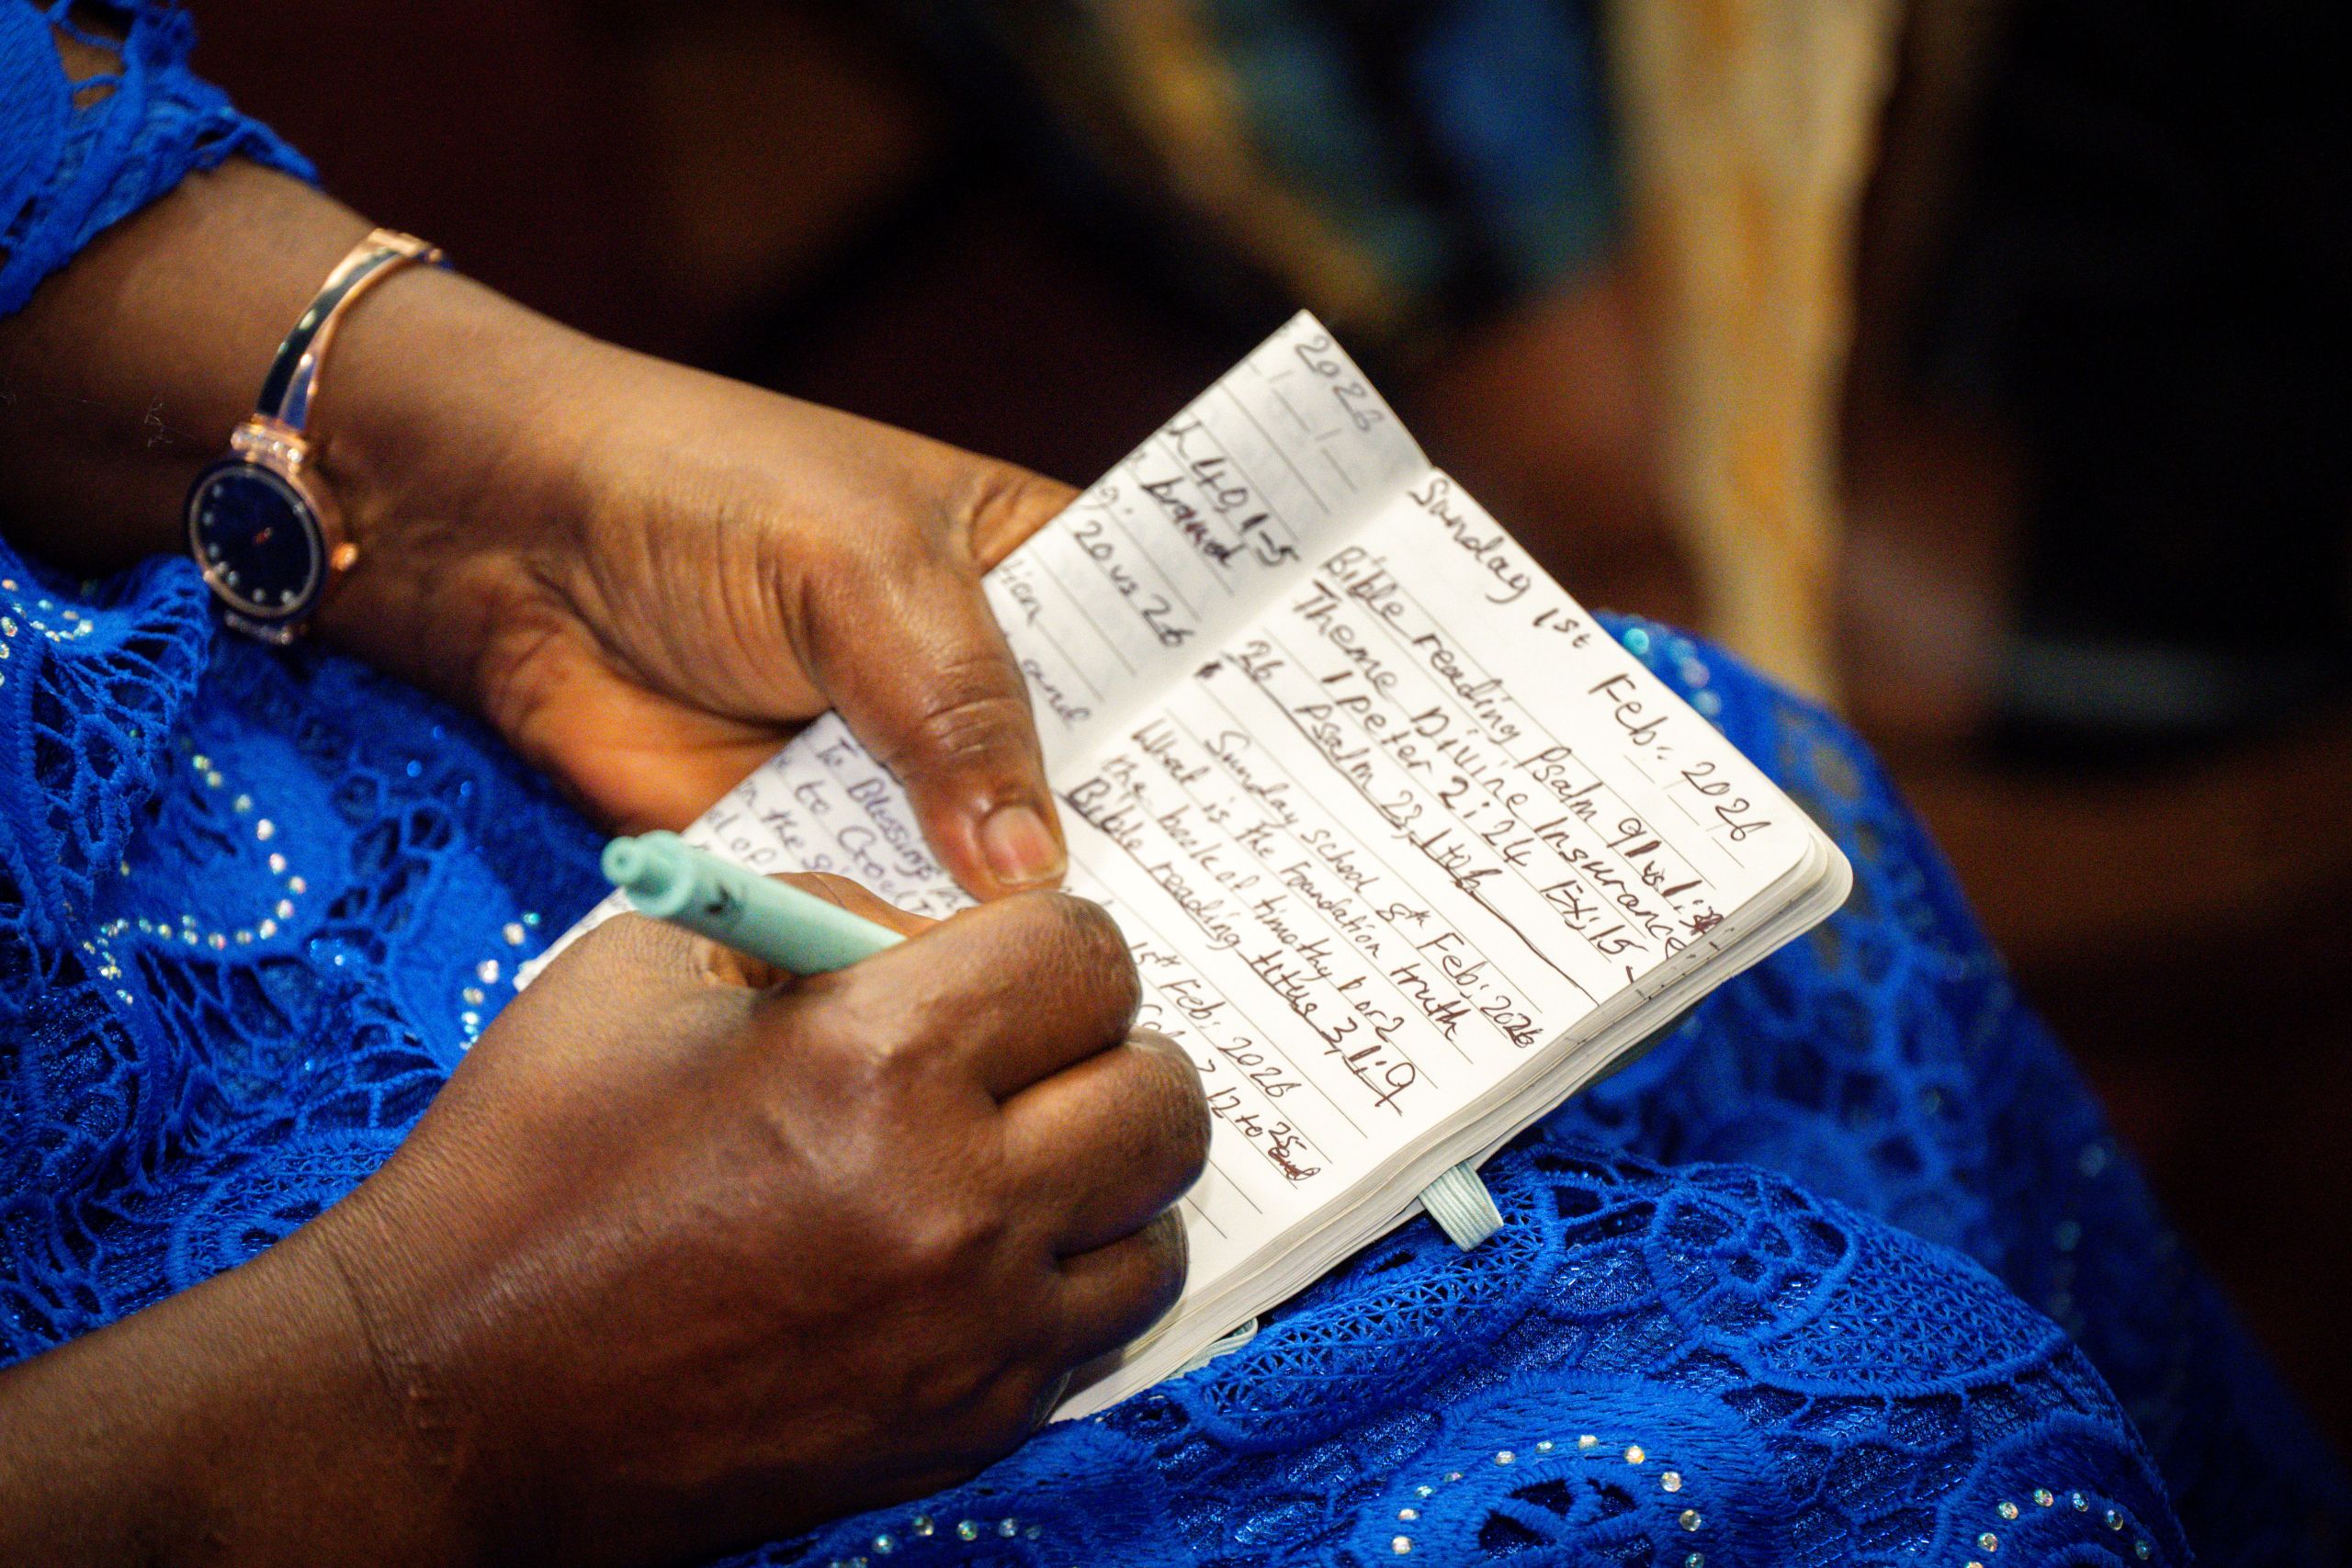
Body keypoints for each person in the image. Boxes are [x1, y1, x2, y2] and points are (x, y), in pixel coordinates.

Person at [1, 6, 2344, 1566]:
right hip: (215, 1384)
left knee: (1677, 764)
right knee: (1807, 1468)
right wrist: (414, 1398)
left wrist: (450, 457)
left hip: (230, 690)